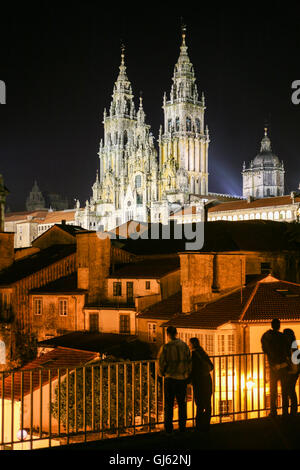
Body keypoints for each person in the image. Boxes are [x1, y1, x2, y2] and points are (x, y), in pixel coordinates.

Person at [158, 326, 192, 434]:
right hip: (182, 378)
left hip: (170, 378)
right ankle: (182, 426)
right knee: (182, 403)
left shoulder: (166, 347)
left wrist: (162, 373)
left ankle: (169, 428)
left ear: (167, 334)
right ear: (176, 333)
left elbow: (161, 363)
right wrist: (186, 374)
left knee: (168, 404)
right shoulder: (184, 346)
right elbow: (189, 361)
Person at [261, 318, 290, 417]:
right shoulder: (282, 337)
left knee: (273, 390)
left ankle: (273, 411)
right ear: (279, 326)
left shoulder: (266, 336)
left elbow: (265, 349)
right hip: (283, 366)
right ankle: (285, 410)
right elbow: (287, 349)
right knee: (284, 390)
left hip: (273, 366)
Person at [188, 337, 214, 432]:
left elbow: (192, 370)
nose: (188, 345)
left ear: (192, 345)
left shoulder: (193, 355)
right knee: (207, 403)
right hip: (207, 379)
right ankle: (206, 424)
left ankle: (198, 426)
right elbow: (211, 366)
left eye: (189, 344)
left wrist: (189, 381)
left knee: (199, 404)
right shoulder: (203, 353)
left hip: (199, 381)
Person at [283, 328, 300, 416]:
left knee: (290, 391)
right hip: (294, 371)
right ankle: (293, 411)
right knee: (291, 391)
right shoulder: (294, 344)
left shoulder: (289, 345)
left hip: (291, 371)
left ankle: (292, 411)